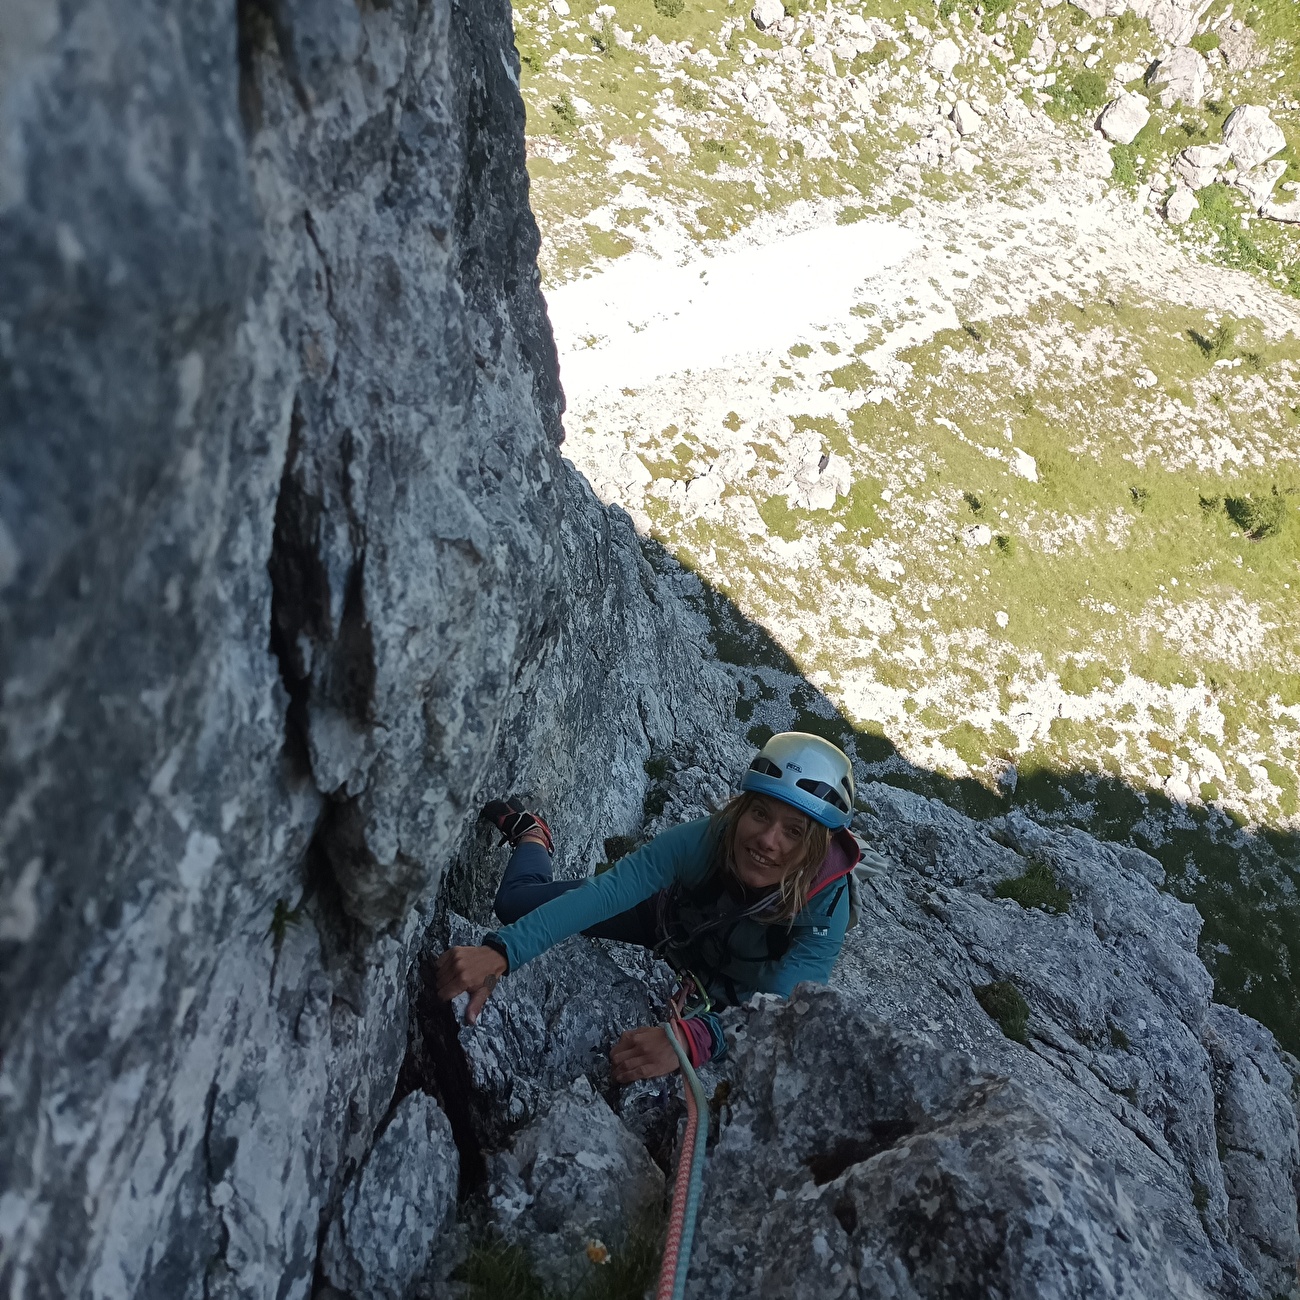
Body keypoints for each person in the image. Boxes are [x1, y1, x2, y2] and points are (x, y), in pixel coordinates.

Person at [435, 732, 861, 1084]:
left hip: (729, 990)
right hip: (664, 923)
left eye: (793, 831)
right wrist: (504, 952)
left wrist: (693, 1039)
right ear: (741, 809)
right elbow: (608, 892)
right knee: (513, 905)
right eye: (760, 814)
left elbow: (783, 1005)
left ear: (817, 845)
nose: (768, 840)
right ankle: (533, 835)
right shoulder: (706, 839)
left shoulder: (825, 902)